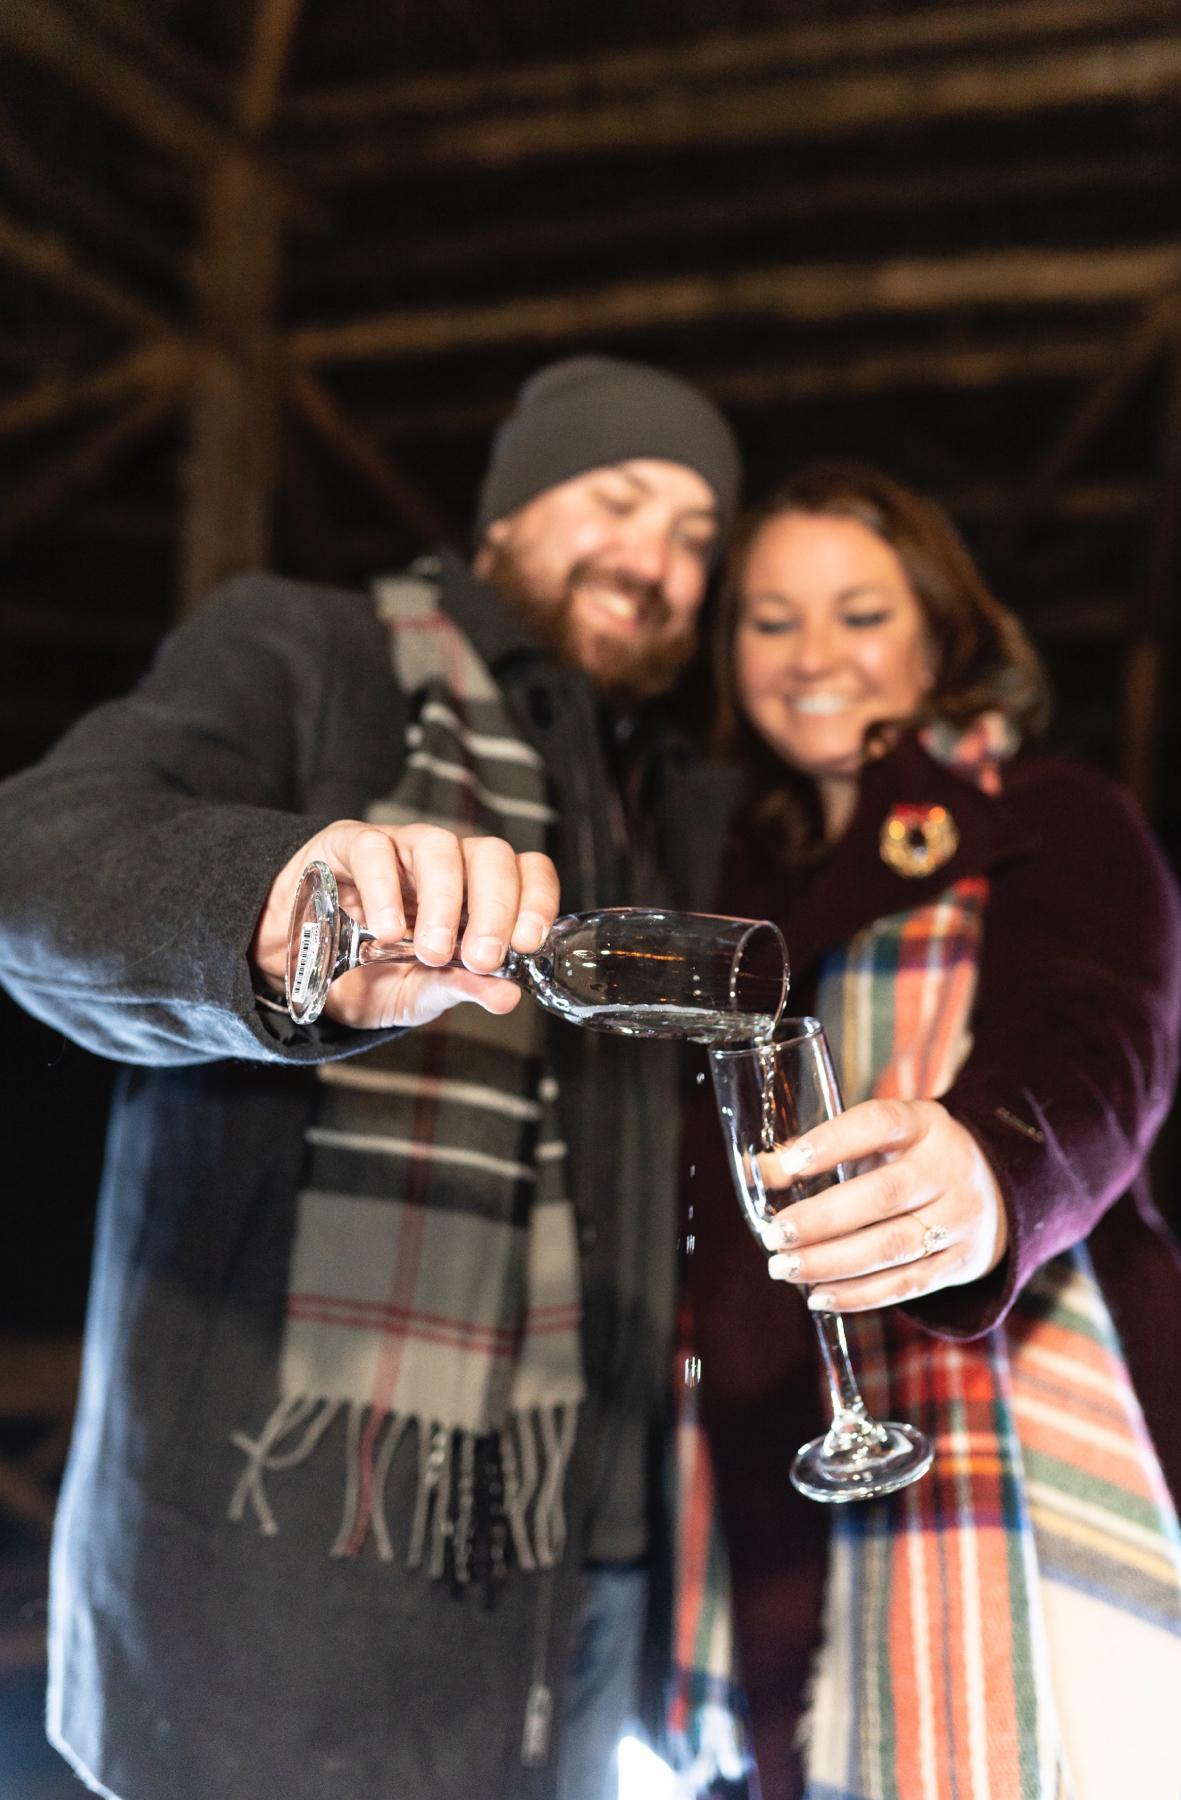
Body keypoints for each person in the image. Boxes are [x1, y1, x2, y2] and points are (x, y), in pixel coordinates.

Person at [0, 356, 743, 1800]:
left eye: (695, 537)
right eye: (618, 499)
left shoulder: (657, 797)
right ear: (506, 518)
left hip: (585, 1587)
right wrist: (276, 914)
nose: (655, 562)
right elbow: (37, 866)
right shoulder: (308, 647)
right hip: (275, 1585)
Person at [675, 463, 1181, 1799]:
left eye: (860, 613)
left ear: (942, 632)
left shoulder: (1048, 814)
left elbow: (1105, 1037)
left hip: (1016, 1387)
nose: (812, 656)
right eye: (771, 619)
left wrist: (994, 1166)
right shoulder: (730, 878)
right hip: (770, 1436)